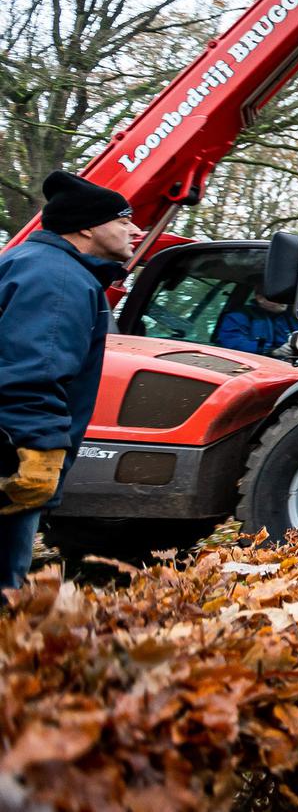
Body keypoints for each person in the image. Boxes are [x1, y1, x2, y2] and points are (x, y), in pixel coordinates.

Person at [0, 172, 139, 589]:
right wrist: (37, 454)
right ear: (86, 227)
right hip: (12, 454)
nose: (135, 229)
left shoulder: (27, 264)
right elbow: (33, 375)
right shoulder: (59, 281)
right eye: (123, 220)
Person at [214, 291, 297, 355]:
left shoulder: (294, 318)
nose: (285, 301)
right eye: (279, 296)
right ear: (260, 298)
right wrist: (272, 351)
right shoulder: (239, 316)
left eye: (287, 297)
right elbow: (233, 343)